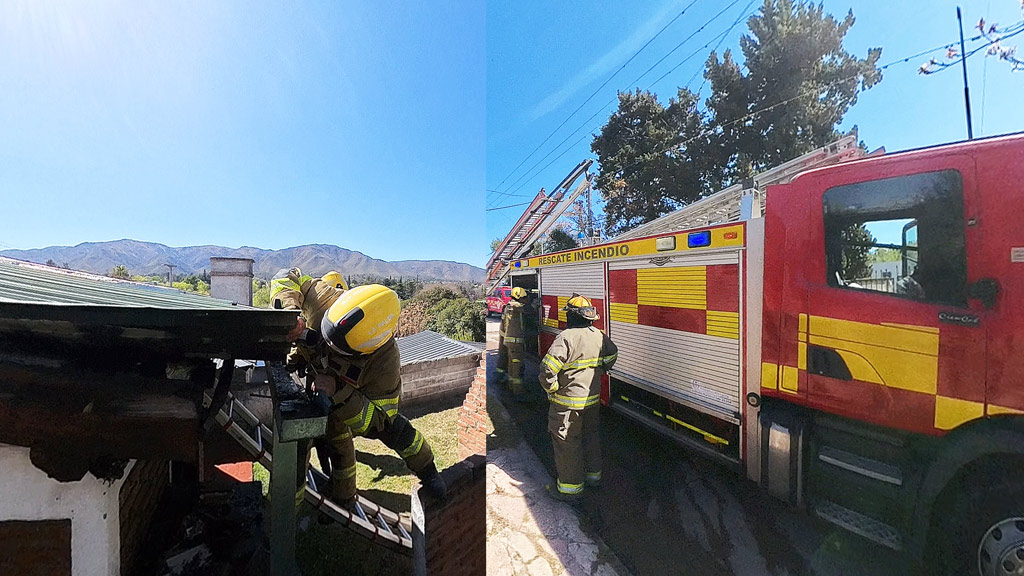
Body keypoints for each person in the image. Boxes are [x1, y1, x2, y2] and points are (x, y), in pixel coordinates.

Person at [270, 268, 447, 506]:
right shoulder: (324, 296)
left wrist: (338, 391)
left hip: (347, 396)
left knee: (397, 432)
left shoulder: (385, 362)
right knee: (301, 444)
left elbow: (378, 420)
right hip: (316, 379)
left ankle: (428, 471)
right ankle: (291, 507)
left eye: (338, 348)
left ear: (367, 350)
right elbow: (285, 275)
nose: (328, 346)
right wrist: (289, 314)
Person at [539, 294, 617, 501]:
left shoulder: (566, 338)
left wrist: (552, 389)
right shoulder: (598, 335)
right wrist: (601, 368)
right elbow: (612, 354)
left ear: (572, 316)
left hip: (567, 404)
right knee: (591, 437)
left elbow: (547, 369)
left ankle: (570, 489)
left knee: (567, 443)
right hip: (592, 400)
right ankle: (594, 477)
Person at [496, 286, 531, 397]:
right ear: (520, 298)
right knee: (516, 366)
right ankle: (518, 391)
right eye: (525, 297)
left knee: (511, 364)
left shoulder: (507, 307)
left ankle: (511, 386)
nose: (526, 299)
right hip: (516, 342)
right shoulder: (518, 308)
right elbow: (527, 311)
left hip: (507, 341)